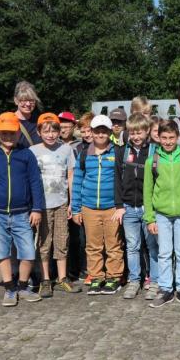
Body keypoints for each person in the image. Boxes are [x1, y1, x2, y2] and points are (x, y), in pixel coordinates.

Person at [0, 112, 45, 306]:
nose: (8, 137)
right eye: (4, 133)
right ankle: (9, 289)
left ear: (17, 134)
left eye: (12, 133)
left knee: (28, 252)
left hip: (22, 213)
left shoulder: (26, 155)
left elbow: (35, 183)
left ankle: (22, 286)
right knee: (1, 252)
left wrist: (37, 208)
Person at [143, 120, 180, 308]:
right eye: (164, 138)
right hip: (161, 214)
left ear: (177, 138)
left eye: (171, 138)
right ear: (158, 138)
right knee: (164, 253)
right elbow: (147, 191)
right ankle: (166, 289)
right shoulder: (152, 161)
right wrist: (150, 218)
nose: (168, 141)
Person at [29, 113, 82, 296]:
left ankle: (62, 278)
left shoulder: (66, 149)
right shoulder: (33, 151)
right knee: (44, 242)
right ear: (39, 132)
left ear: (60, 131)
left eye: (54, 131)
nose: (51, 135)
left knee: (62, 240)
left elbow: (70, 176)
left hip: (61, 203)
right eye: (46, 131)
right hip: (41, 205)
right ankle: (45, 279)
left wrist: (72, 202)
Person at [72, 115, 124, 295]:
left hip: (112, 207)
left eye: (104, 131)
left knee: (113, 245)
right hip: (89, 207)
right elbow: (78, 181)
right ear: (91, 133)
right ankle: (96, 277)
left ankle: (114, 277)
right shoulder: (84, 154)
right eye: (97, 131)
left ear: (110, 133)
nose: (101, 134)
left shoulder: (118, 152)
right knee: (93, 246)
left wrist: (120, 206)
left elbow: (122, 180)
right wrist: (76, 208)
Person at [114, 112, 159, 300]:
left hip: (149, 208)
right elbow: (117, 179)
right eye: (133, 133)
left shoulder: (154, 151)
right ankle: (134, 280)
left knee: (152, 246)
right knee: (132, 246)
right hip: (128, 207)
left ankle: (155, 281)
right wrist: (119, 205)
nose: (136, 136)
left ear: (147, 131)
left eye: (140, 132)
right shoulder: (122, 151)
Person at [67, 111, 93, 284]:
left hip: (97, 199)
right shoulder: (76, 149)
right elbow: (74, 177)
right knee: (82, 238)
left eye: (89, 130)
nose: (87, 134)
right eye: (83, 131)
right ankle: (84, 269)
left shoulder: (107, 146)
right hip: (82, 198)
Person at [11, 80, 44, 148]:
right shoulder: (7, 121)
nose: (28, 104)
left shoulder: (40, 121)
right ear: (16, 101)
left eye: (31, 100)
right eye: (24, 100)